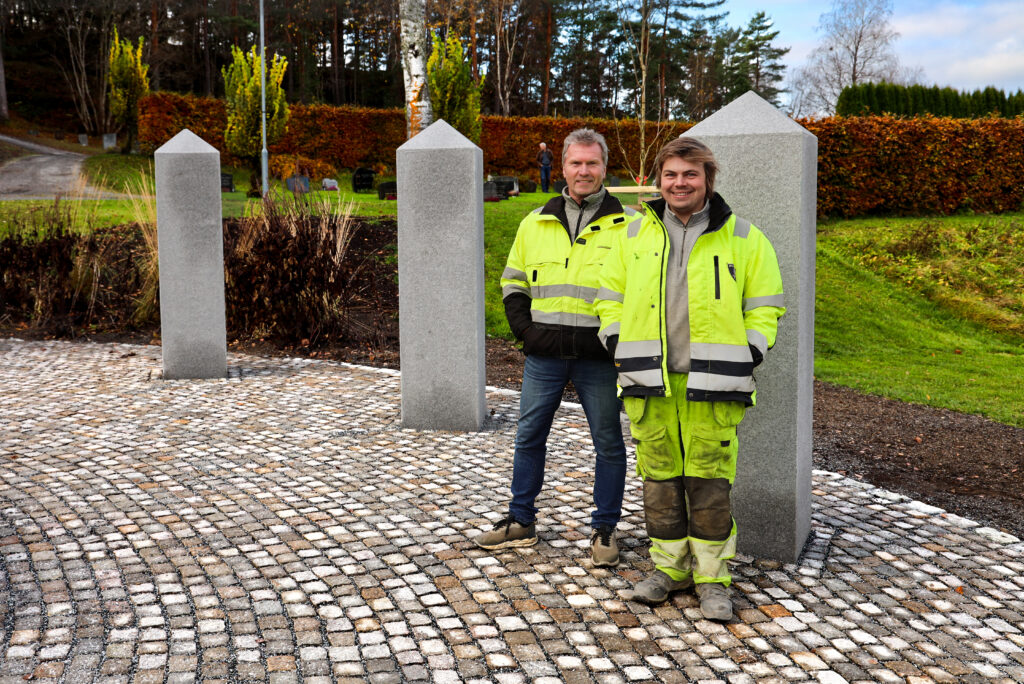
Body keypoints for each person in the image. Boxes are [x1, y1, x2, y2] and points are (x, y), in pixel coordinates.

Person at [594, 137, 784, 620]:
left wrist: (751, 351)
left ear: (708, 180)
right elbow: (607, 296)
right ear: (659, 180)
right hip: (647, 382)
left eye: (690, 174)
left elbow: (766, 305)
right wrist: (617, 340)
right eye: (672, 174)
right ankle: (669, 570)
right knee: (658, 482)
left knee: (709, 486)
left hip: (715, 386)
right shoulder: (633, 236)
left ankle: (713, 579)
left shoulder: (744, 236)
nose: (680, 183)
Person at [474, 129, 632, 567]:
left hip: (598, 358)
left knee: (608, 442)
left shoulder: (631, 225)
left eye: (592, 163)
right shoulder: (534, 222)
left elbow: (639, 291)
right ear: (562, 167)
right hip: (543, 355)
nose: (584, 171)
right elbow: (512, 283)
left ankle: (604, 528)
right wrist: (526, 332)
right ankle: (520, 520)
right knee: (528, 437)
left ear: (604, 168)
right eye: (576, 163)